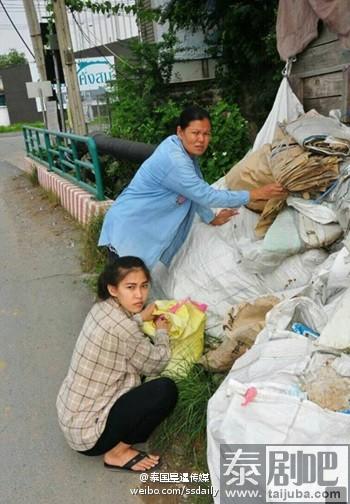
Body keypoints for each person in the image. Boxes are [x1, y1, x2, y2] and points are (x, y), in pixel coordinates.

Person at [98, 105, 287, 268]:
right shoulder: (175, 160)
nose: (201, 140)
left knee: (130, 288)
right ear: (180, 132)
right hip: (131, 226)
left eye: (206, 134)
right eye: (195, 133)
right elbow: (205, 195)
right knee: (123, 289)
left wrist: (209, 217)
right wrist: (255, 193)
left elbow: (192, 193)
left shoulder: (183, 152)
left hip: (138, 225)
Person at [56, 256, 177, 472]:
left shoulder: (100, 308)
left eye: (144, 286)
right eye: (130, 287)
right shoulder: (125, 329)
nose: (139, 295)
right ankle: (117, 453)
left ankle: (117, 443)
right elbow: (156, 363)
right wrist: (162, 333)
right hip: (89, 436)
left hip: (71, 417)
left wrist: (139, 317)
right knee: (165, 390)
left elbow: (122, 328)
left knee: (135, 366)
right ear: (113, 289)